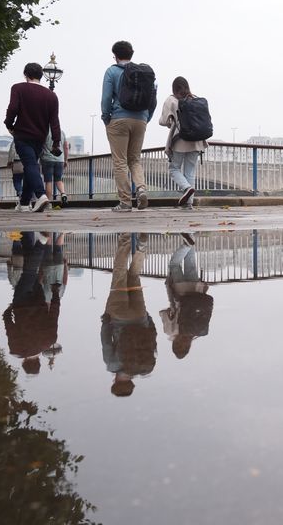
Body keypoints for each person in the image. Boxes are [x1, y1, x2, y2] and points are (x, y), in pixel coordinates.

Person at [101, 40, 156, 212]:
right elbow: (153, 99)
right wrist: (146, 117)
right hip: (141, 119)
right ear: (132, 54)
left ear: (115, 55)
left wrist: (106, 117)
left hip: (118, 119)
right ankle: (141, 189)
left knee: (120, 161)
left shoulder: (112, 71)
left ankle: (125, 202)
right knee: (135, 159)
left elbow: (106, 98)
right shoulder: (144, 73)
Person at [101, 233, 156, 397]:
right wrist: (105, 319)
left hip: (140, 317)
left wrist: (148, 318)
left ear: (132, 383)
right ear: (115, 382)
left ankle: (141, 250)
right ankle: (125, 238)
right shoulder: (112, 365)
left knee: (134, 276)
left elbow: (153, 340)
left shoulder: (146, 365)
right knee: (119, 274)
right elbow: (106, 341)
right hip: (118, 317)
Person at [3, 62, 62, 212]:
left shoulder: (18, 88)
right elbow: (54, 121)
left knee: (30, 165)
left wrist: (8, 123)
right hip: (40, 137)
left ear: (26, 75)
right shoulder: (51, 96)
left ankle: (41, 195)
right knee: (31, 166)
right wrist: (56, 141)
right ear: (41, 76)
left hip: (22, 133)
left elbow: (13, 108)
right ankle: (23, 204)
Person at [2, 231, 61, 375]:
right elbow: (10, 328)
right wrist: (8, 312)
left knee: (31, 271)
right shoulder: (16, 349)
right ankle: (40, 242)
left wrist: (55, 294)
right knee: (29, 272)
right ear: (24, 362)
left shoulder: (49, 341)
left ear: (39, 361)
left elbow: (54, 315)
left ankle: (26, 234)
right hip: (21, 305)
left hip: (39, 301)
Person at [159, 233, 213, 359]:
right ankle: (187, 243)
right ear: (174, 344)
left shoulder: (197, 332)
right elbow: (164, 313)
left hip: (196, 291)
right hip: (180, 292)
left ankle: (192, 234)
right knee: (174, 265)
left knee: (190, 262)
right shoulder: (171, 331)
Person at [158, 76, 208, 209]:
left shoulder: (172, 100)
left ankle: (186, 188)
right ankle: (189, 204)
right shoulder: (195, 99)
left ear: (174, 89)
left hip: (180, 141)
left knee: (174, 168)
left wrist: (172, 122)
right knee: (190, 172)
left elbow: (163, 121)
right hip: (197, 141)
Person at [41, 126, 70, 207]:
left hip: (47, 159)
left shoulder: (45, 131)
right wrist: (66, 159)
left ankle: (48, 203)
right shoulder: (62, 132)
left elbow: (40, 146)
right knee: (58, 180)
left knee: (48, 181)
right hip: (60, 160)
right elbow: (66, 147)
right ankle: (63, 194)